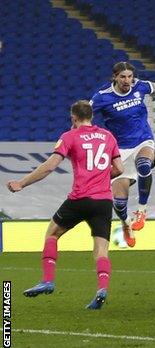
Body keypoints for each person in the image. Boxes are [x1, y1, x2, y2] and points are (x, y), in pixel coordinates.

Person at [7, 100, 123, 309]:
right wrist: (101, 176)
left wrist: (21, 183)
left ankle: (48, 281)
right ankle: (102, 288)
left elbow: (50, 166)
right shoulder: (108, 136)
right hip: (104, 201)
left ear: (73, 117)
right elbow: (120, 169)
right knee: (101, 250)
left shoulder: (70, 136)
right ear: (92, 116)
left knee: (52, 233)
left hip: (80, 198)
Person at [90, 62, 155, 247]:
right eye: (123, 77)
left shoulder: (139, 86)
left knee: (144, 165)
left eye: (130, 76)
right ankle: (126, 224)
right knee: (120, 203)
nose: (127, 80)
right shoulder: (102, 97)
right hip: (118, 150)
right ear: (114, 77)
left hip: (142, 140)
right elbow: (85, 116)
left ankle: (142, 210)